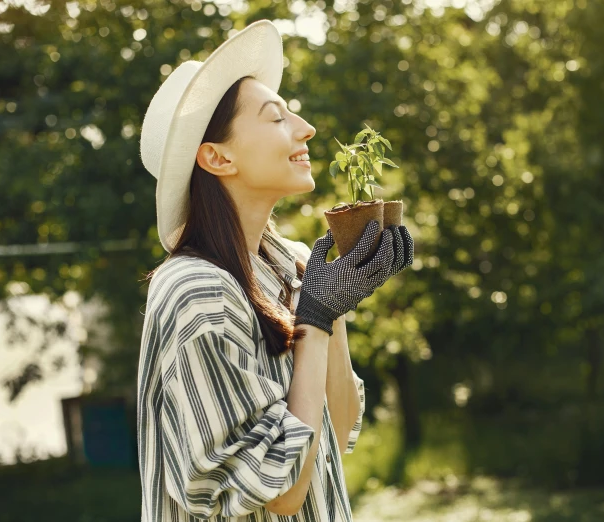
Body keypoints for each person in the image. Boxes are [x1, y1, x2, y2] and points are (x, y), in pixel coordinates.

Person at [136, 20, 414, 521]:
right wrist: (314, 318)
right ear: (217, 157)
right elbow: (280, 495)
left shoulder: (291, 264)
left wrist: (333, 302)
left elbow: (342, 420)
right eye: (275, 117)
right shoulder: (196, 292)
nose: (305, 128)